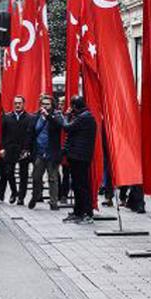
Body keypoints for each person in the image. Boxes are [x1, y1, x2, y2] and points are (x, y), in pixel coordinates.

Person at [61, 96, 97, 225]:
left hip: (80, 157)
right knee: (77, 186)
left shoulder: (84, 117)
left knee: (81, 186)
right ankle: (78, 211)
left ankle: (86, 213)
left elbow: (66, 127)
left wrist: (65, 115)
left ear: (75, 107)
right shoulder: (85, 116)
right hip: (78, 156)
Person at [29, 95, 64, 210]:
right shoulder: (36, 116)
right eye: (43, 104)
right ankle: (35, 197)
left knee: (52, 178)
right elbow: (31, 132)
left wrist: (48, 116)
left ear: (52, 105)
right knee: (36, 177)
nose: (45, 106)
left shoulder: (56, 115)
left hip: (52, 153)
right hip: (39, 152)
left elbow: (60, 125)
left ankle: (54, 202)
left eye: (47, 104)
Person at [0, 96, 33, 205]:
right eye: (16, 103)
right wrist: (2, 148)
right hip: (9, 148)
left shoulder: (29, 118)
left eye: (20, 103)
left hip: (23, 149)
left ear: (24, 104)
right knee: (9, 172)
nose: (17, 105)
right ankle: (14, 192)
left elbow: (31, 135)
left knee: (24, 174)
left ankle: (21, 197)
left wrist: (28, 149)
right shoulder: (7, 117)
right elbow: (2, 135)